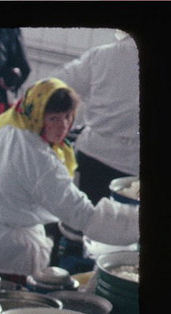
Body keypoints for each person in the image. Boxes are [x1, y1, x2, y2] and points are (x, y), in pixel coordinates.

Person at [0, 78, 138, 282]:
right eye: (53, 119)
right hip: (11, 254)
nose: (63, 126)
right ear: (38, 116)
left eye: (68, 117)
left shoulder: (6, 122)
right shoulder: (39, 159)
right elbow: (83, 214)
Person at [56, 30, 139, 203]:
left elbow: (53, 87)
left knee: (86, 223)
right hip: (134, 168)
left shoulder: (102, 55)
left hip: (95, 156)